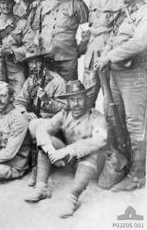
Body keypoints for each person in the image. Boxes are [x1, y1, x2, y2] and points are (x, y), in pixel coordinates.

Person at [95, 0, 147, 191]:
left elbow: (140, 43)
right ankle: (121, 164)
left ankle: (137, 176)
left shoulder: (144, 12)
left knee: (135, 125)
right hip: (114, 76)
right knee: (114, 121)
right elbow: (113, 40)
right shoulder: (124, 12)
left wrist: (109, 56)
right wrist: (104, 53)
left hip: (135, 77)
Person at [24, 80, 107, 218]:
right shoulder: (64, 114)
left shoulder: (97, 117)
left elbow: (99, 140)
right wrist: (51, 151)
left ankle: (72, 199)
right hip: (72, 160)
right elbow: (43, 129)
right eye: (72, 100)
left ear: (86, 98)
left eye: (80, 98)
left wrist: (66, 151)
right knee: (46, 142)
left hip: (92, 165)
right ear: (67, 101)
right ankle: (41, 188)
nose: (76, 103)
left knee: (92, 153)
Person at [14, 48, 67, 186]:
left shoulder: (57, 81)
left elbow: (65, 109)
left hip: (54, 124)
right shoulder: (31, 80)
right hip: (36, 120)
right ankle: (22, 163)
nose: (33, 66)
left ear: (44, 62)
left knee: (36, 126)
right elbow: (19, 101)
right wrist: (24, 113)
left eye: (37, 62)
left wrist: (47, 100)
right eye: (30, 63)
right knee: (20, 120)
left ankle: (36, 169)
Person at [82, 0, 126, 109]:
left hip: (109, 57)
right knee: (86, 100)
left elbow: (122, 32)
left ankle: (113, 133)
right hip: (91, 57)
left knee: (111, 102)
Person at [37, 0, 89, 81]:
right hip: (46, 60)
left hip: (67, 62)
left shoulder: (77, 4)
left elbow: (88, 33)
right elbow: (36, 32)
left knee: (68, 94)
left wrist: (77, 51)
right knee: (48, 95)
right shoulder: (43, 5)